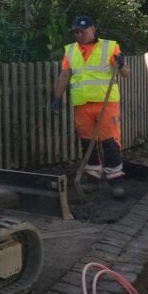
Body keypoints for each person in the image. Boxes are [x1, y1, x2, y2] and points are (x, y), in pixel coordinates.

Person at [50, 15, 131, 198]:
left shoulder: (110, 47)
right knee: (87, 143)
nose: (79, 34)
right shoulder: (70, 51)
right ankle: (93, 177)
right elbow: (64, 75)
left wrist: (122, 64)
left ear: (93, 29)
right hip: (82, 105)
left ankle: (115, 180)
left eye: (83, 31)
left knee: (110, 142)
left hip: (106, 103)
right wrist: (56, 98)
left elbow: (126, 73)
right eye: (76, 31)